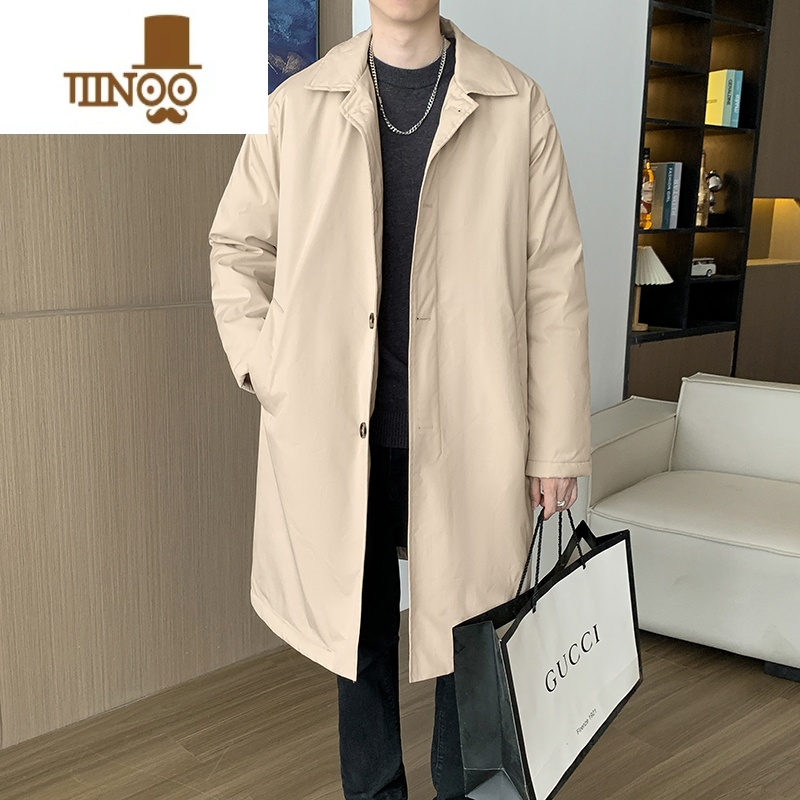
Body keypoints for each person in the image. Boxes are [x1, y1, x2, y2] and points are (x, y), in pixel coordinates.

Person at [208, 2, 591, 798]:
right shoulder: (298, 105)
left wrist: (556, 445)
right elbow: (237, 248)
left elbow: (553, 283)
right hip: (340, 432)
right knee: (360, 633)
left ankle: (465, 790)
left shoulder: (517, 104)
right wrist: (270, 369)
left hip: (474, 428)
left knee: (472, 630)